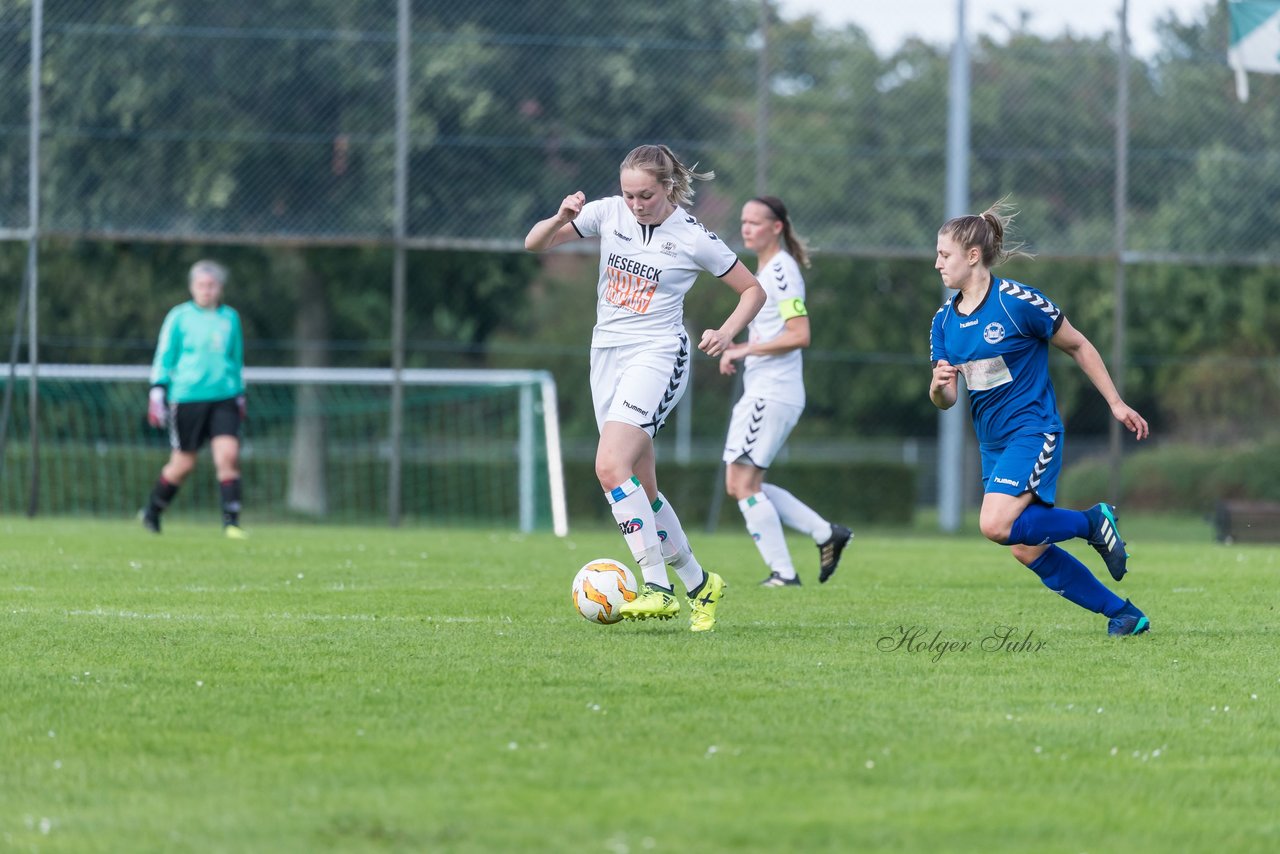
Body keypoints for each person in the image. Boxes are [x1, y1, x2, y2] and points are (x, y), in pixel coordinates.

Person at [525, 144, 766, 632]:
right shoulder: (606, 213)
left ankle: (656, 587)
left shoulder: (693, 236)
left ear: (668, 188)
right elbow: (534, 244)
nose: (637, 204)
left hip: (657, 354)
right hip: (606, 355)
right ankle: (701, 585)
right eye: (630, 194)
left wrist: (727, 330)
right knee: (644, 492)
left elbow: (752, 289)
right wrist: (560, 218)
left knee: (609, 466)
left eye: (647, 196)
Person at [928, 201, 1152, 636]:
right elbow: (947, 399)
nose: (937, 263)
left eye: (944, 254)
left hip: (1033, 430)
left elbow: (1079, 346)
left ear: (973, 256)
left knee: (994, 525)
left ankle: (1092, 521)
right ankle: (1125, 614)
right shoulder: (943, 322)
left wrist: (1116, 403)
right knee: (1026, 548)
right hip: (993, 444)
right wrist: (938, 386)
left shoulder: (1017, 303)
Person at [719, 196, 851, 587]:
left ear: (777, 227)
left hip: (772, 392)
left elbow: (799, 334)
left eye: (755, 222)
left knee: (742, 485)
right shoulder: (767, 269)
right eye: (743, 221)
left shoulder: (780, 272)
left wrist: (741, 349)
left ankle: (784, 573)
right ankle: (825, 534)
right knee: (741, 484)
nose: (746, 229)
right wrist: (741, 352)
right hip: (767, 390)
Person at [142, 259, 248, 538]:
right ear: (192, 287)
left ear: (220, 288)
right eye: (201, 285)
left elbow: (235, 360)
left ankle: (231, 523)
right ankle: (153, 510)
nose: (206, 290)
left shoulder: (230, 318)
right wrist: (158, 388)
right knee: (183, 464)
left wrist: (239, 393)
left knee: (228, 455)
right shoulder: (179, 317)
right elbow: (165, 354)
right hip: (187, 397)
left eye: (212, 286)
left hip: (224, 397)